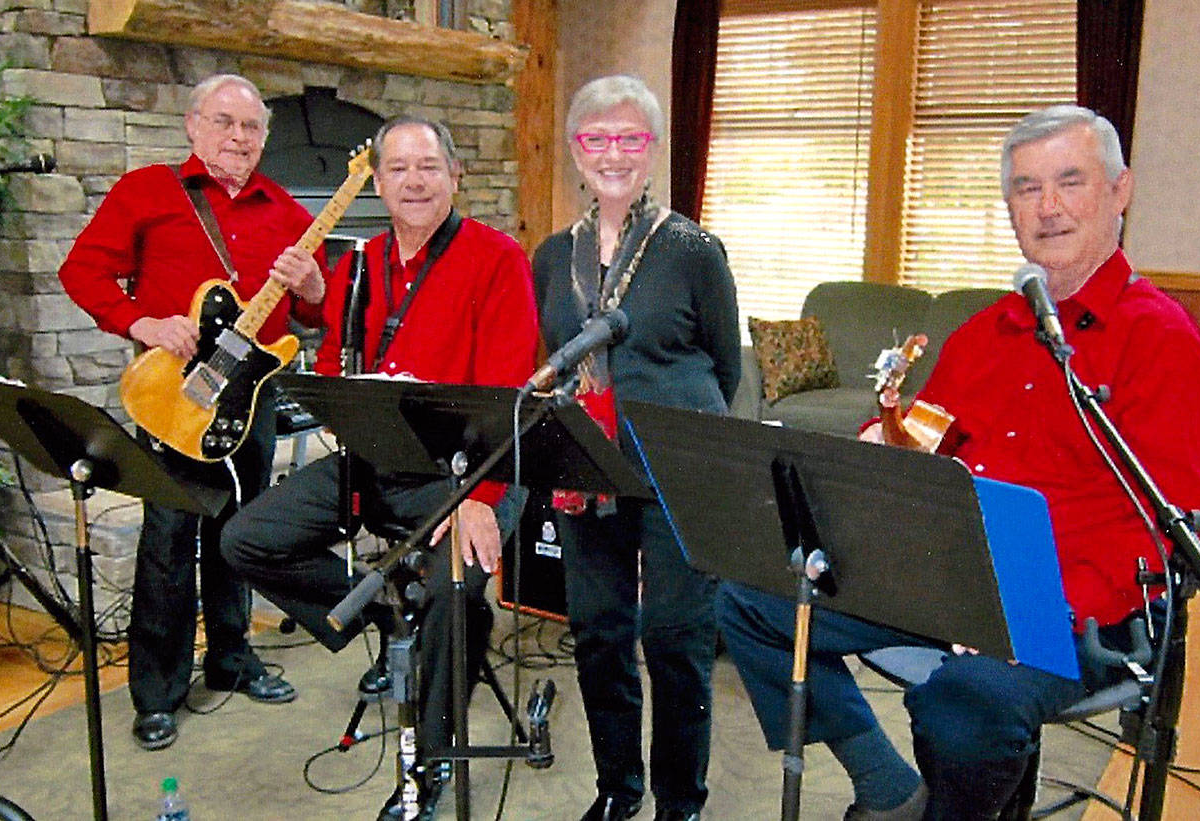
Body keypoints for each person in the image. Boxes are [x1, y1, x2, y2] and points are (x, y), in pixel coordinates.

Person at [716, 104, 1200, 820]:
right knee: (751, 603)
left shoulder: (1163, 340)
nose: (1047, 207)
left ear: (1119, 192)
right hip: (952, 582)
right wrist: (877, 447)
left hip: (1085, 607)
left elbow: (1177, 527)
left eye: (1069, 181)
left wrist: (1038, 614)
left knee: (962, 708)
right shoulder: (985, 333)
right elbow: (922, 440)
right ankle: (886, 784)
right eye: (1025, 188)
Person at [221, 113, 538, 821]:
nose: (414, 181)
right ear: (380, 182)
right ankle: (385, 619)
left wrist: (480, 496)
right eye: (397, 168)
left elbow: (509, 393)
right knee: (246, 537)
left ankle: (427, 766)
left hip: (469, 470)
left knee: (453, 589)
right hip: (375, 461)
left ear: (455, 176)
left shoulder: (497, 259)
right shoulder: (358, 262)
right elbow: (336, 364)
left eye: (429, 166)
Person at [58, 74, 326, 752]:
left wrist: (317, 287)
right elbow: (82, 271)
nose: (239, 138)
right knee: (169, 540)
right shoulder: (148, 191)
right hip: (174, 398)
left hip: (253, 398)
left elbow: (318, 313)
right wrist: (140, 321)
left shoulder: (288, 210)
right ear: (193, 126)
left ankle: (233, 659)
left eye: (252, 128)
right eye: (225, 122)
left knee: (243, 532)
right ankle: (158, 689)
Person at [532, 75, 740, 821]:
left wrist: (668, 411)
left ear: (652, 151)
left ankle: (680, 799)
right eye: (596, 138)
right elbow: (550, 349)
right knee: (599, 630)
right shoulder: (554, 255)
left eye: (630, 138)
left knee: (677, 635)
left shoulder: (693, 248)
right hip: (589, 462)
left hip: (680, 461)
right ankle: (618, 789)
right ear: (575, 153)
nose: (612, 152)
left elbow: (726, 364)